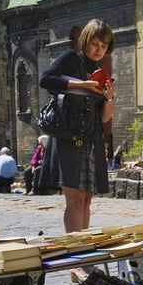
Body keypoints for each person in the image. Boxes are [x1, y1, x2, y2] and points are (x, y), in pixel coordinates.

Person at [37, 18, 115, 233]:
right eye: (95, 44)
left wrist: (109, 98)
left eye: (104, 46)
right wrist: (83, 85)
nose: (99, 50)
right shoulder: (72, 58)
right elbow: (46, 79)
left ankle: (84, 254)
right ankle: (75, 259)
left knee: (87, 200)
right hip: (69, 138)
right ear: (86, 41)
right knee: (76, 200)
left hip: (92, 139)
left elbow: (105, 118)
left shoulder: (102, 72)